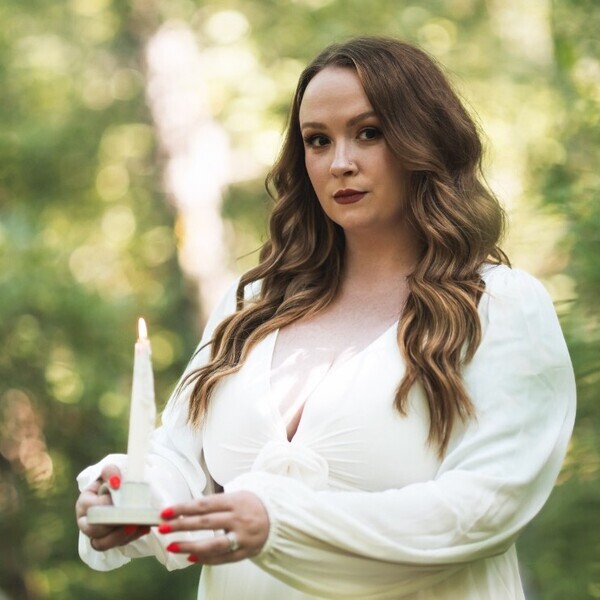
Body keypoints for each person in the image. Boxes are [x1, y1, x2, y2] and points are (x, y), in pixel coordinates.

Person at [75, 36, 576, 599]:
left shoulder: (498, 306)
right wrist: (128, 500)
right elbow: (178, 459)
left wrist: (281, 525)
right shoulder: (253, 304)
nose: (340, 163)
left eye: (369, 133)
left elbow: (484, 507)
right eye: (318, 140)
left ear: (423, 140)